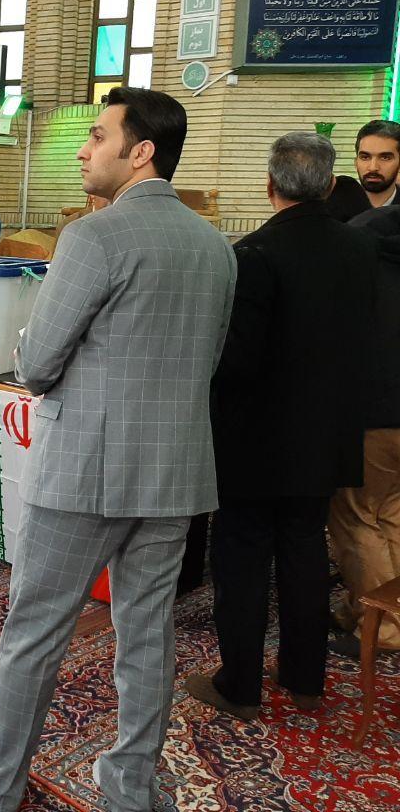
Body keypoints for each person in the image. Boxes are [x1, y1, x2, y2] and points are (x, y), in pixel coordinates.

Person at [0, 87, 236, 812]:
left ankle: (1, 782)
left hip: (84, 472)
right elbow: (208, 361)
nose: (84, 151)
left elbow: (38, 363)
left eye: (96, 136)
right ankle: (130, 786)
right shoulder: (216, 247)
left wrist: (27, 347)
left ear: (141, 151)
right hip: (174, 472)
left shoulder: (94, 236)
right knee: (147, 634)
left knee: (35, 632)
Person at [187, 132, 377, 720]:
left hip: (257, 438)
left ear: (269, 186)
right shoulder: (359, 247)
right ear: (330, 185)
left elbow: (238, 359)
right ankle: (305, 679)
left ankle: (239, 684)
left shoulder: (254, 252)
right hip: (327, 433)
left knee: (242, 558)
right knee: (305, 551)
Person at [329, 202, 400, 658]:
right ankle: (371, 608)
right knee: (393, 513)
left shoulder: (359, 251)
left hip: (374, 410)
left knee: (357, 516)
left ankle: (384, 628)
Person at [356, 119, 400, 209]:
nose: (373, 167)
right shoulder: (334, 208)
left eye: (385, 158)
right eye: (365, 157)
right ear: (355, 162)